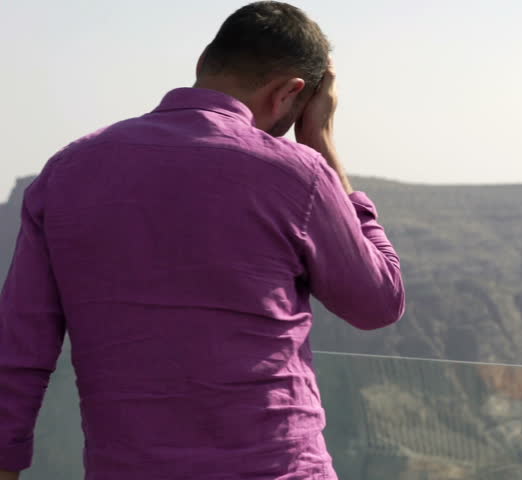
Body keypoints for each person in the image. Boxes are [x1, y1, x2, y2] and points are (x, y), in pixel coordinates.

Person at [0, 2, 405, 479]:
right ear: (292, 93)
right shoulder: (297, 174)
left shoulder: (66, 172)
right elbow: (379, 302)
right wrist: (321, 140)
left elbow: (18, 349)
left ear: (202, 64)